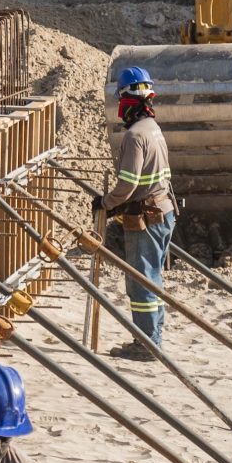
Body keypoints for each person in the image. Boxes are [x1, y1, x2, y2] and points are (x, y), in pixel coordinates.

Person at [98, 64, 175, 356]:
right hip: (164, 211)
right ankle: (153, 340)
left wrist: (105, 203)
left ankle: (145, 346)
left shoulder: (134, 137)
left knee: (141, 282)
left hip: (147, 217)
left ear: (127, 101)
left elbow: (127, 185)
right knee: (153, 277)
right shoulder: (153, 129)